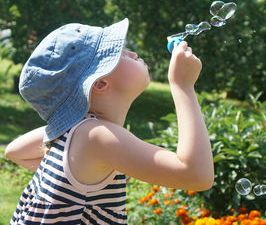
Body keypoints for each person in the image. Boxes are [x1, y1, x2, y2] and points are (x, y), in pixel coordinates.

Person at [4, 18, 214, 224]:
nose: (132, 53)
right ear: (101, 83)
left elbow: (14, 151)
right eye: (119, 53)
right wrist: (183, 86)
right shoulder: (96, 136)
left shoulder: (75, 132)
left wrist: (77, 177)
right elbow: (196, 175)